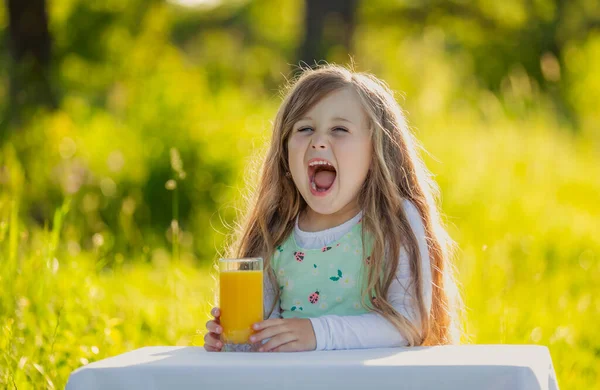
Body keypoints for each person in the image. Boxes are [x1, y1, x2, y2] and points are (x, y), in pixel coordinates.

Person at [204, 64, 462, 352]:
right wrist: (233, 341)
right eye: (304, 129)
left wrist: (318, 333)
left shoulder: (393, 219)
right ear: (285, 149)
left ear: (377, 150)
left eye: (339, 129)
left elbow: (409, 323)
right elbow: (263, 336)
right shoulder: (276, 230)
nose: (318, 142)